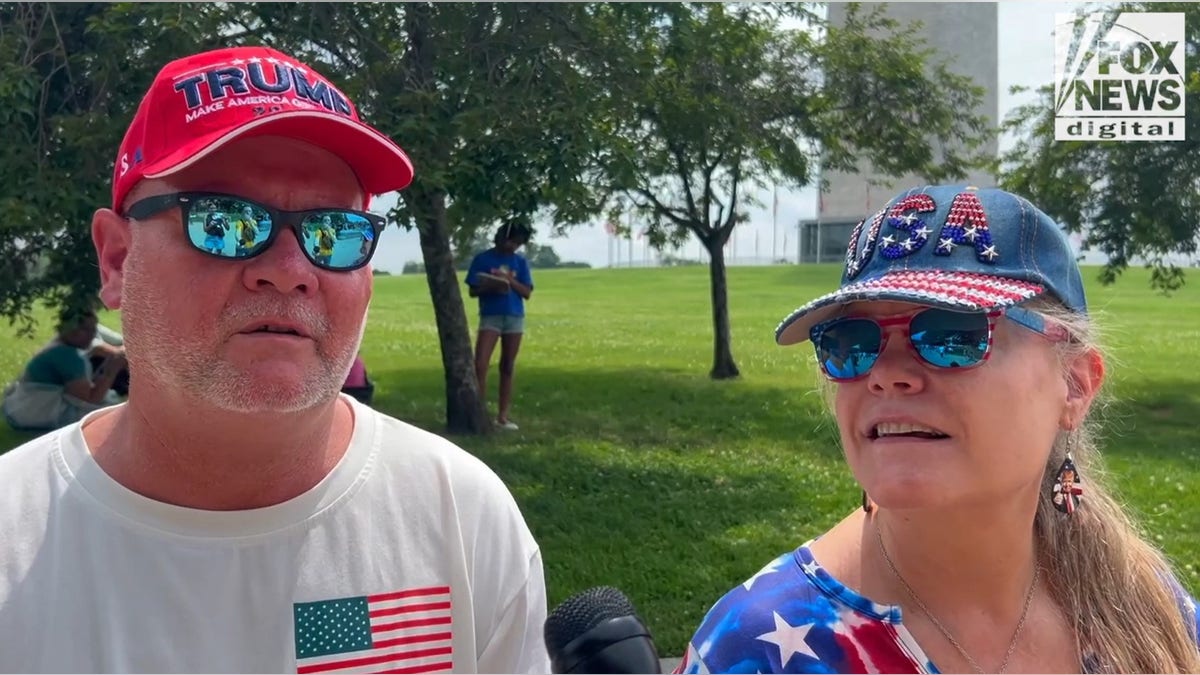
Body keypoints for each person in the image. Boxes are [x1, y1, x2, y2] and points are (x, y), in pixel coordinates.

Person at [0, 45, 549, 674]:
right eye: (224, 221)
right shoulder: (11, 544)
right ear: (117, 259)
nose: (290, 272)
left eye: (333, 231)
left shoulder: (462, 516)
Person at [676, 185, 1200, 674]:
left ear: (1075, 384)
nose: (886, 375)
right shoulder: (754, 648)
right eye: (849, 341)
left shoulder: (1148, 608)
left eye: (952, 335)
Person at [2, 308, 126, 431]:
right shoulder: (68, 355)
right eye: (86, 330)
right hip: (32, 413)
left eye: (94, 329)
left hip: (20, 409)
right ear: (70, 329)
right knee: (113, 412)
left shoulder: (60, 346)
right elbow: (90, 399)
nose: (92, 334)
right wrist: (112, 368)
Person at [465, 223, 534, 430]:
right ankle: (480, 412)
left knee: (507, 366)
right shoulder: (483, 259)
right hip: (490, 315)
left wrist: (509, 281)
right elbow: (473, 291)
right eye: (511, 241)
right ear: (502, 237)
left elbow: (527, 292)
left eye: (518, 243)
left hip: (514, 316)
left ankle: (503, 416)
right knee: (480, 364)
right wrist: (490, 285)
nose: (513, 246)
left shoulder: (519, 262)